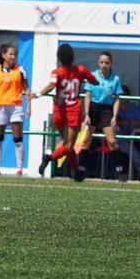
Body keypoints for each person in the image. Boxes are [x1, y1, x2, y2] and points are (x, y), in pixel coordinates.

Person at [33, 43, 97, 182]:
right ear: (72, 56)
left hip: (58, 112)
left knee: (69, 145)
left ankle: (76, 172)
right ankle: (49, 157)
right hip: (72, 112)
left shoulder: (57, 72)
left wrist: (38, 94)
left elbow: (51, 86)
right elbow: (94, 81)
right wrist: (91, 80)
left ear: (59, 58)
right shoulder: (80, 70)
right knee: (68, 146)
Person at [80, 51, 127, 181]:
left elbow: (117, 98)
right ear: (98, 63)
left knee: (112, 141)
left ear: (111, 63)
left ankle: (120, 171)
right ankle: (82, 170)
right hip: (93, 108)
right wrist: (87, 114)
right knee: (85, 141)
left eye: (106, 62)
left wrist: (115, 115)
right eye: (101, 62)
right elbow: (87, 96)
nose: (104, 65)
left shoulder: (115, 79)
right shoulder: (92, 76)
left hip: (107, 110)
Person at [0, 44, 30, 176]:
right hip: (0, 107)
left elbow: (27, 89)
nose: (13, 57)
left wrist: (29, 106)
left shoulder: (20, 71)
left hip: (16, 107)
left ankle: (19, 169)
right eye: (10, 54)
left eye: (14, 54)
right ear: (3, 55)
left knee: (17, 138)